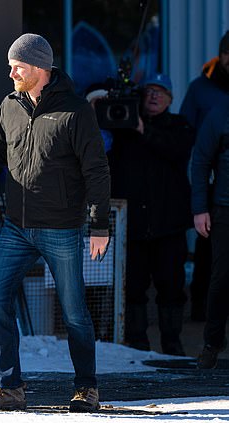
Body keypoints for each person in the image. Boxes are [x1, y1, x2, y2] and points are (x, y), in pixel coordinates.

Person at [0, 33, 110, 413]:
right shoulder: (10, 104)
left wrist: (99, 225)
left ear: (38, 68)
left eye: (17, 65)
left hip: (61, 227)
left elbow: (96, 170)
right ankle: (9, 385)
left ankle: (86, 387)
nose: (10, 71)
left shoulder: (75, 111)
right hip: (17, 226)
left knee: (74, 311)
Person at [108, 74, 195, 355]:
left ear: (171, 99)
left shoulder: (179, 126)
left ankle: (172, 344)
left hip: (168, 226)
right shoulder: (122, 130)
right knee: (133, 288)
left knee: (171, 287)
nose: (154, 97)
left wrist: (143, 129)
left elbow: (175, 149)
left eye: (161, 92)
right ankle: (137, 344)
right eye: (149, 92)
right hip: (133, 226)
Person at [180, 31, 229, 321]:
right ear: (220, 54)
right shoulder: (201, 88)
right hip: (211, 180)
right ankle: (202, 309)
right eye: (227, 53)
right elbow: (186, 131)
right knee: (209, 252)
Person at [190, 105, 229, 369]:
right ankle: (212, 344)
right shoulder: (220, 113)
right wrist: (200, 209)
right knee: (222, 278)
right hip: (225, 208)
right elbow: (201, 161)